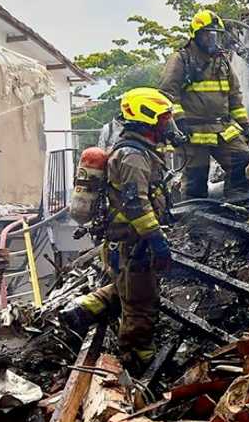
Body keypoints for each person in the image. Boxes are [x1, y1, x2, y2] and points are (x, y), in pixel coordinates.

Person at [60, 88, 177, 373]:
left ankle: (84, 310)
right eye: (164, 119)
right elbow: (135, 204)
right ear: (146, 118)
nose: (168, 125)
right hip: (132, 243)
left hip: (125, 244)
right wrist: (156, 240)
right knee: (140, 304)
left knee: (129, 290)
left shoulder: (140, 151)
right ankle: (135, 362)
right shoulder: (133, 156)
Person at [159, 9, 249, 198]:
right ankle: (196, 223)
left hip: (222, 127)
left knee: (243, 159)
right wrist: (180, 121)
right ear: (196, 35)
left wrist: (243, 124)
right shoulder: (181, 59)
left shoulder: (223, 61)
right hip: (193, 131)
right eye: (208, 35)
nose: (212, 40)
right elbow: (168, 93)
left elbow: (234, 95)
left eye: (215, 35)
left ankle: (236, 204)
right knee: (196, 181)